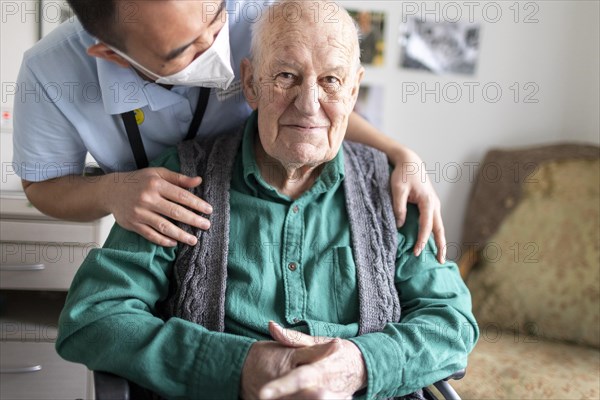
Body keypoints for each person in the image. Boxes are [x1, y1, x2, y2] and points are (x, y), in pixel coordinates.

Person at [56, 2, 478, 398]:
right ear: (251, 83)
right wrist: (240, 366)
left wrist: (360, 364)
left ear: (353, 91)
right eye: (286, 76)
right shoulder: (183, 178)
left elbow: (452, 324)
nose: (308, 104)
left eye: (331, 80)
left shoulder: (392, 190)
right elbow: (94, 319)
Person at [13, 0, 446, 263]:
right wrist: (110, 192)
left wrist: (401, 154)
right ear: (110, 54)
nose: (217, 49)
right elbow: (41, 184)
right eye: (188, 50)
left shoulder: (257, 13)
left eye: (217, 21)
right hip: (165, 245)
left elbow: (310, 110)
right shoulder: (51, 73)